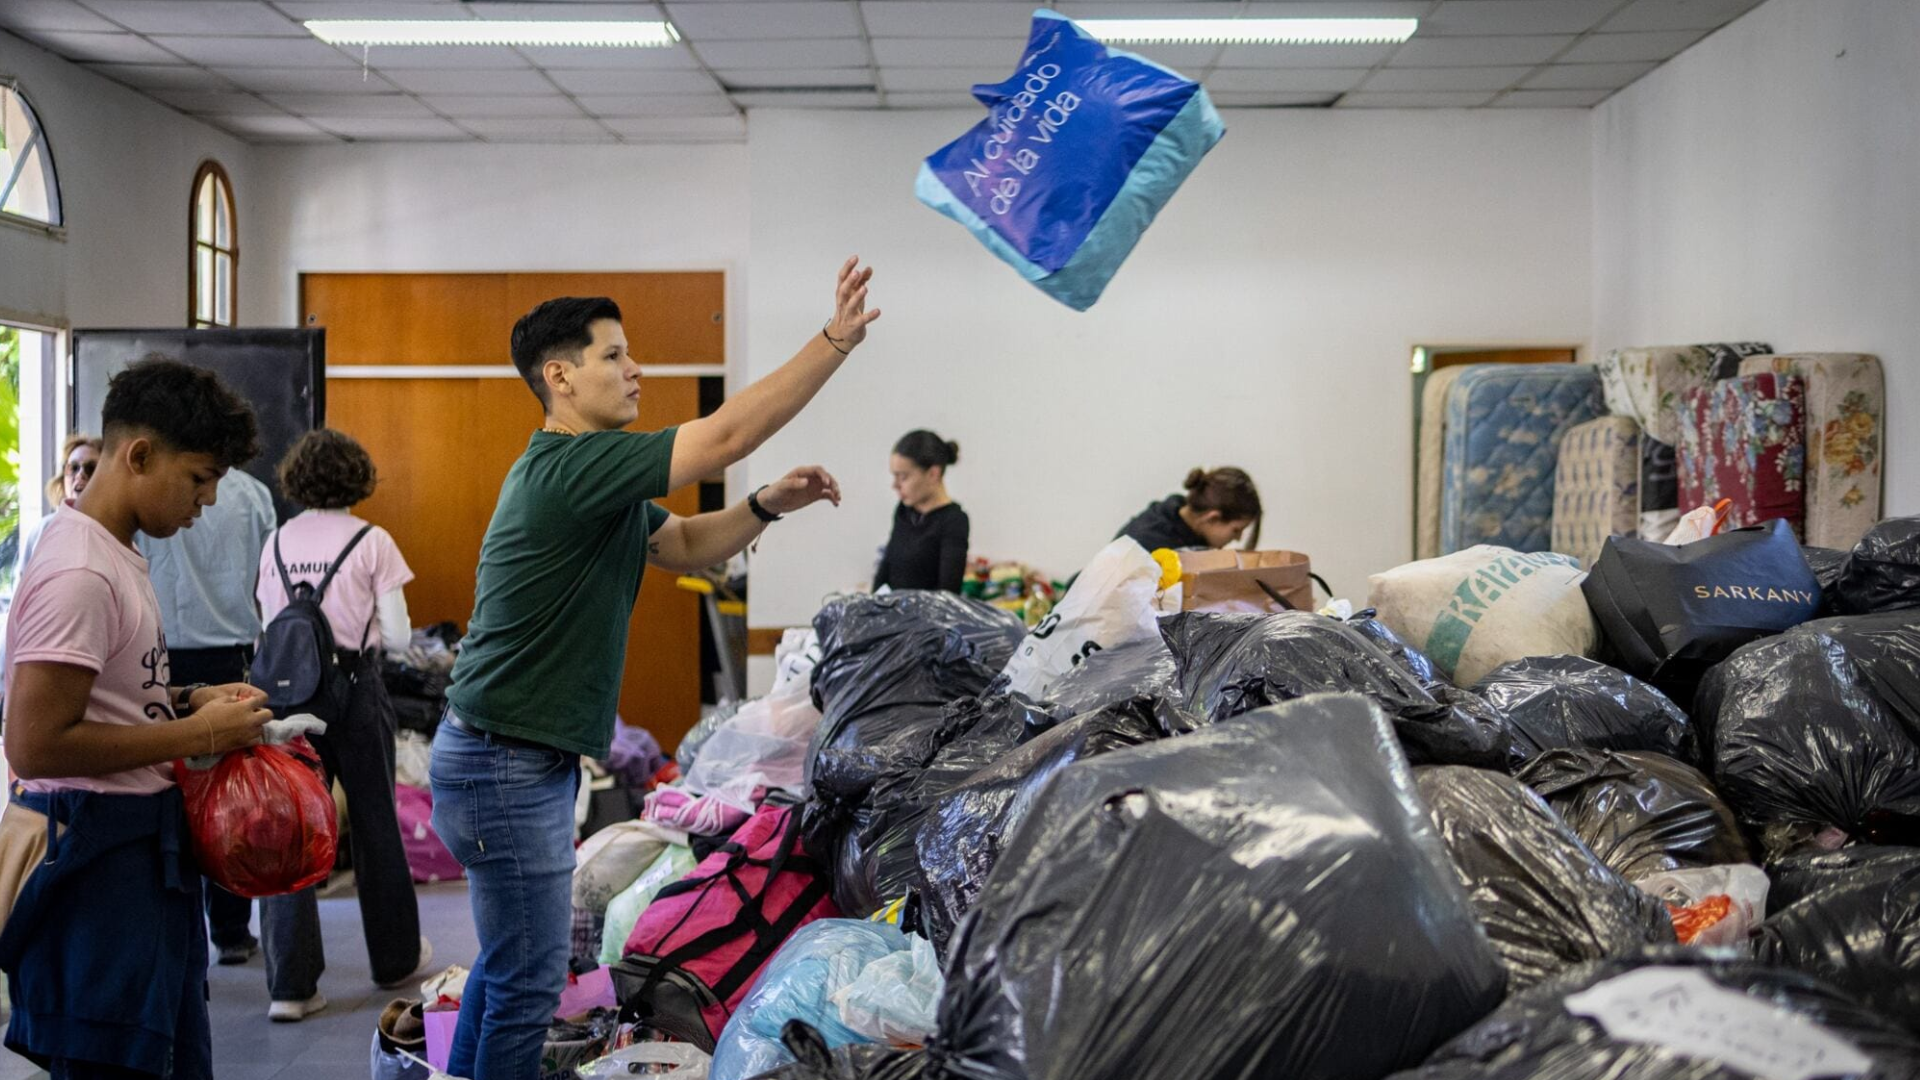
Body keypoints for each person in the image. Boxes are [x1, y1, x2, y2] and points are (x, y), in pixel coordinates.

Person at [433, 256, 879, 1079]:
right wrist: (834, 342)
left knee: (507, 969)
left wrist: (764, 506)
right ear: (559, 376)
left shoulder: (589, 481)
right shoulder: (571, 465)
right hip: (503, 760)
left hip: (504, 754)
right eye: (614, 355)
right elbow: (727, 436)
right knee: (527, 981)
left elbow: (681, 545)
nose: (635, 368)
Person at [1, 357, 271, 1079]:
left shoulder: (115, 552)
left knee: (172, 1056)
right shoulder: (80, 572)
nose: (209, 500)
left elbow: (105, 694)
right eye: (199, 478)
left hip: (137, 857)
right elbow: (34, 742)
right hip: (95, 866)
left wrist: (188, 699)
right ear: (140, 455)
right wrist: (201, 734)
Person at [252, 428, 427, 1022]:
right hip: (356, 689)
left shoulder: (276, 541)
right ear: (358, 478)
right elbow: (400, 636)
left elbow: (267, 625)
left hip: (288, 697)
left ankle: (291, 987)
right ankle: (396, 959)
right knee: (377, 821)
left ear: (297, 481)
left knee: (290, 831)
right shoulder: (373, 541)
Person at [136, 467, 277, 967]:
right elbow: (267, 577)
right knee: (232, 801)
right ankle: (233, 931)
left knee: (170, 793)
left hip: (161, 656)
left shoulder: (152, 488)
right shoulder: (254, 494)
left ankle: (179, 924)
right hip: (229, 655)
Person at [873, 430, 969, 593]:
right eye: (894, 477)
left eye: (903, 477)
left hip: (925, 616)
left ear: (933, 474)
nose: (895, 485)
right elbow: (887, 565)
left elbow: (948, 593)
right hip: (891, 612)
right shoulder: (904, 511)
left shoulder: (953, 521)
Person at [1116, 466, 1264, 552]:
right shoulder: (1146, 546)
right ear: (1212, 518)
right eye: (1236, 530)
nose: (1238, 538)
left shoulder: (1192, 533)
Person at [15, 432, 101, 579]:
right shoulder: (43, 530)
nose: (80, 475)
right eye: (73, 468)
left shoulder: (119, 533)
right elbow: (20, 590)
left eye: (90, 468)